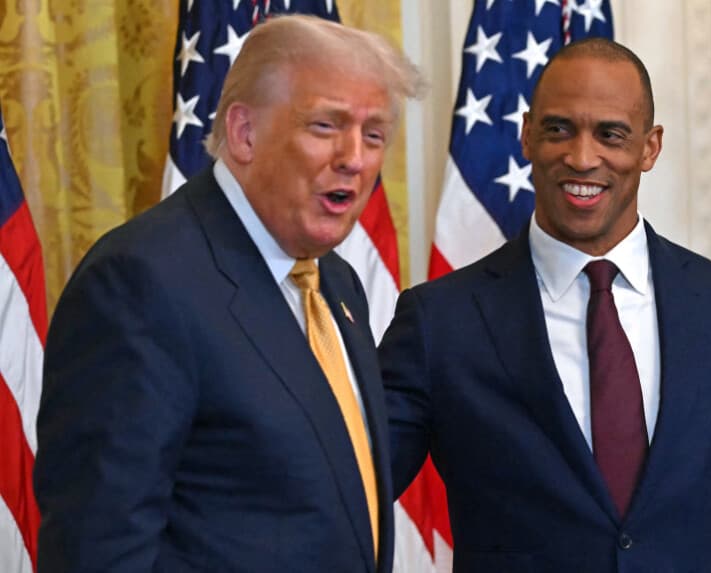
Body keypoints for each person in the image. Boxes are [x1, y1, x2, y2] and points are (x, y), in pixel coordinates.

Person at [379, 38, 711, 572]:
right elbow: (345, 497)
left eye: (611, 134)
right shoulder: (440, 322)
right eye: (558, 129)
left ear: (649, 147)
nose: (581, 156)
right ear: (526, 134)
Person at [34, 14, 421, 573]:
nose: (354, 158)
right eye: (325, 126)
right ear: (243, 132)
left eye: (374, 134)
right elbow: (98, 548)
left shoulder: (337, 282)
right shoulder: (140, 284)